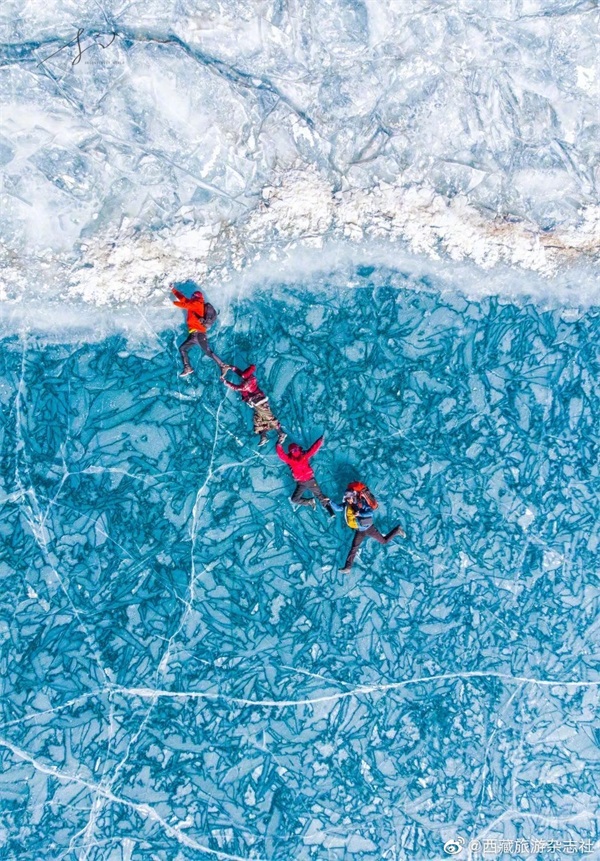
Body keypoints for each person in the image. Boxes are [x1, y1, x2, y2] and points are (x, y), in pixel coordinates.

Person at [331, 482, 405, 573]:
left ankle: (397, 530)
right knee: (354, 548)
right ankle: (348, 567)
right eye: (346, 499)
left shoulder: (360, 503)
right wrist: (330, 502)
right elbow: (338, 508)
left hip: (369, 528)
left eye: (348, 498)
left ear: (353, 497)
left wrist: (360, 514)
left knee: (384, 541)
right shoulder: (347, 504)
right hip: (359, 530)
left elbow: (370, 513)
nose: (347, 500)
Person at [221, 364, 285, 446]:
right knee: (259, 420)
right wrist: (231, 367)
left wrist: (225, 382)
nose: (242, 381)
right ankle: (264, 436)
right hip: (257, 403)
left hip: (260, 402)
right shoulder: (247, 380)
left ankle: (280, 433)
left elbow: (236, 387)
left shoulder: (246, 385)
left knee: (267, 418)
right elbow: (240, 374)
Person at [171, 285, 227, 376]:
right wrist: (173, 290)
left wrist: (173, 303)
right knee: (182, 349)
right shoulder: (194, 304)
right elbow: (183, 299)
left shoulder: (197, 304)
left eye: (192, 296)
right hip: (194, 334)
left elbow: (184, 304)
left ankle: (223, 365)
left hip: (198, 334)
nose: (191, 297)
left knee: (208, 352)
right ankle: (188, 368)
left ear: (195, 297)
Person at [276, 436, 334, 515]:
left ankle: (328, 509)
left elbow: (282, 455)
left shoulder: (299, 456)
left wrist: (278, 444)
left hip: (306, 481)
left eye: (295, 449)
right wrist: (320, 440)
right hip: (305, 482)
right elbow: (313, 449)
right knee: (315, 496)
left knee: (316, 496)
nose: (295, 451)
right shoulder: (294, 458)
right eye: (294, 450)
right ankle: (313, 503)